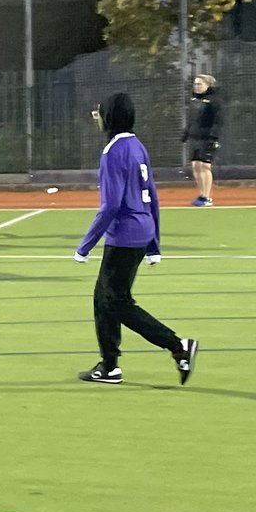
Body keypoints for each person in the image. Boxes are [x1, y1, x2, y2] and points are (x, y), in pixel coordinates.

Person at [74, 92, 198, 385]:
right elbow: (152, 197)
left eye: (100, 112)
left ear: (110, 117)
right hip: (140, 232)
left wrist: (85, 245)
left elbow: (111, 204)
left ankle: (178, 347)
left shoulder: (112, 152)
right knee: (104, 298)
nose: (97, 117)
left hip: (125, 236)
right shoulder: (137, 146)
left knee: (116, 302)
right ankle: (109, 366)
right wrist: (154, 245)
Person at [181, 73, 222, 206]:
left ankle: (207, 196)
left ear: (208, 85)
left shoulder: (214, 101)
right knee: (195, 166)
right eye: (195, 84)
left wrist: (213, 137)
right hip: (195, 137)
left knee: (205, 166)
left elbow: (218, 121)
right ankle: (201, 194)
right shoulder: (194, 100)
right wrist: (186, 132)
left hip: (206, 138)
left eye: (200, 84)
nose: (197, 87)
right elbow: (192, 119)